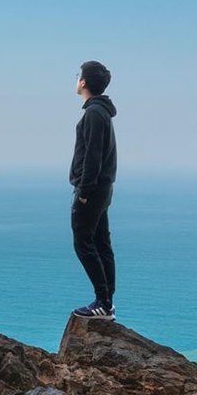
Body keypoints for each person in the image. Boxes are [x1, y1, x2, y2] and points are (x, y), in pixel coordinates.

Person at [69, 60, 117, 319]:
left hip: (93, 189)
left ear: (84, 82)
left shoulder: (94, 114)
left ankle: (103, 302)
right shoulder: (100, 112)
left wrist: (84, 193)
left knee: (84, 242)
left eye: (78, 75)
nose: (76, 79)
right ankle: (107, 301)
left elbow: (92, 157)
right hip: (102, 188)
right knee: (101, 242)